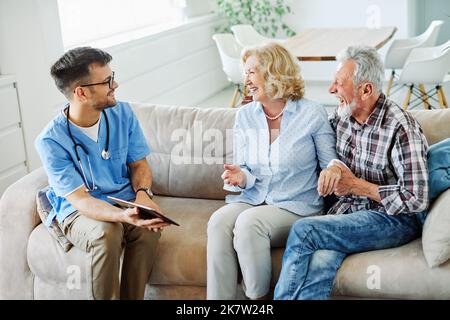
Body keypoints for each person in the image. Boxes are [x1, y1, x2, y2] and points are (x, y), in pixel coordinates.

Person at [274, 45, 429, 300]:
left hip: (392, 219)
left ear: (365, 89)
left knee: (305, 231)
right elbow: (322, 151)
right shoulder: (343, 116)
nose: (331, 89)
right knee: (319, 261)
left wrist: (356, 186)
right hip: (347, 212)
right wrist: (333, 166)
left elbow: (416, 198)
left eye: (338, 83)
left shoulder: (400, 127)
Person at [35, 47, 169, 300]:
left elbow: (139, 165)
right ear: (81, 93)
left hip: (122, 198)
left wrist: (142, 195)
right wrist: (122, 216)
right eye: (107, 81)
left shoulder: (122, 113)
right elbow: (81, 200)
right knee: (107, 233)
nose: (115, 84)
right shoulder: (51, 141)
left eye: (113, 76)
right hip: (77, 209)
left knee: (148, 229)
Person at [207, 43, 337, 300]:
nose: (246, 80)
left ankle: (258, 300)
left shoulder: (312, 113)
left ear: (274, 72)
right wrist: (240, 177)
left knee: (248, 223)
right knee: (218, 221)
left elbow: (331, 162)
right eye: (245, 73)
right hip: (253, 198)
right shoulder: (245, 115)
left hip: (296, 205)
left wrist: (332, 172)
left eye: (252, 72)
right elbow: (243, 168)